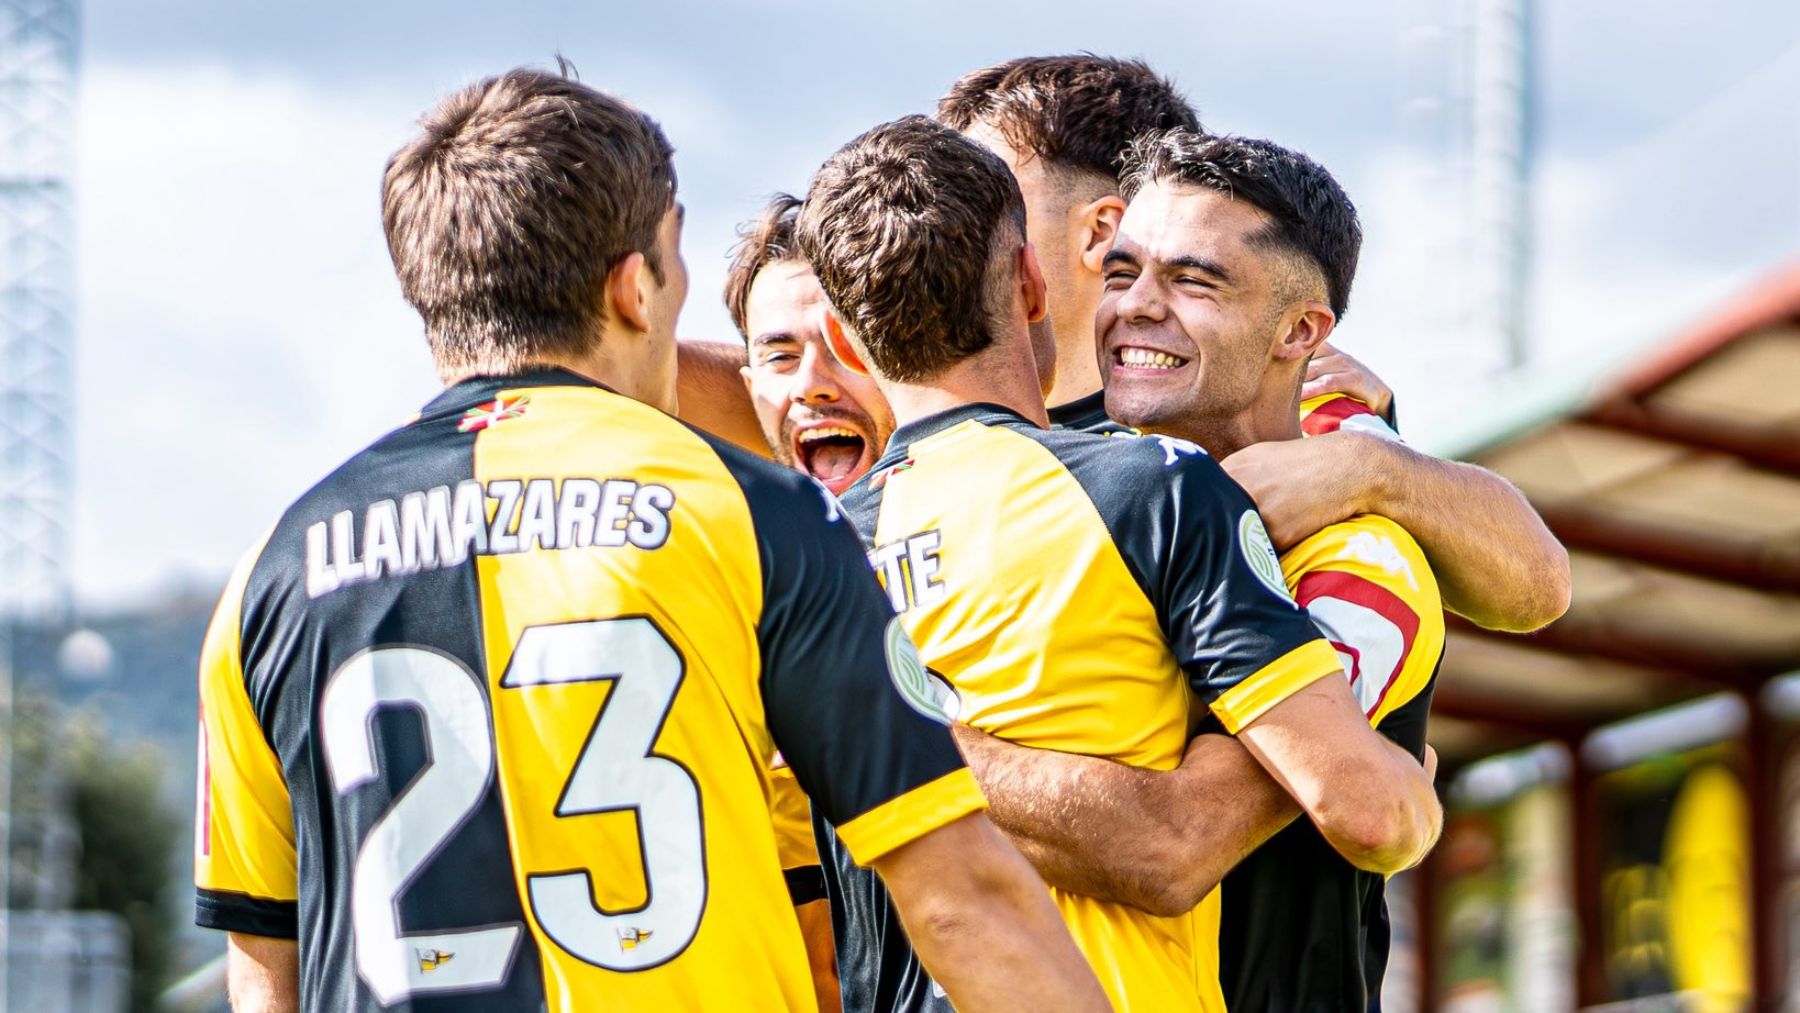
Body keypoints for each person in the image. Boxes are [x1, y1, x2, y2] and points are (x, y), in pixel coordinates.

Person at [191, 67, 1108, 1013]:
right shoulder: (757, 516)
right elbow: (963, 900)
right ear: (634, 286)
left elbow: (267, 968)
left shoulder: (276, 566)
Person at [795, 113, 1441, 1013]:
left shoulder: (803, 558)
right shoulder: (1154, 490)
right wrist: (1413, 787)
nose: (1138, 304)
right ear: (1031, 283)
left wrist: (877, 728)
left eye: (1191, 279)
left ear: (839, 333)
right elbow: (1362, 812)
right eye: (1127, 271)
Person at [935, 54, 1569, 632]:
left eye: (986, 197)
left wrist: (1371, 466)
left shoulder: (1301, 404)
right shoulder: (925, 411)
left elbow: (1538, 588)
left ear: (1102, 228)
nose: (950, 223)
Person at [723, 191, 900, 1010]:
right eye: (780, 354)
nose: (813, 385)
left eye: (845, 347)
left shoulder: (1032, 536)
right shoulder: (718, 585)